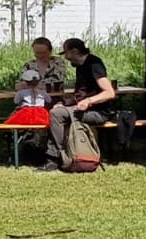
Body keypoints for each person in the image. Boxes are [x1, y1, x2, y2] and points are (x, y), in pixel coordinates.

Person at [42, 38, 117, 173]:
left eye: (66, 53)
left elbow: (109, 93)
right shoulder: (80, 67)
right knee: (55, 110)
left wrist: (89, 101)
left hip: (99, 113)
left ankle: (55, 157)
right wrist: (64, 103)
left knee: (56, 115)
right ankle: (63, 153)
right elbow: (81, 94)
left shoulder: (94, 64)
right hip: (84, 110)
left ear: (75, 51)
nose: (66, 58)